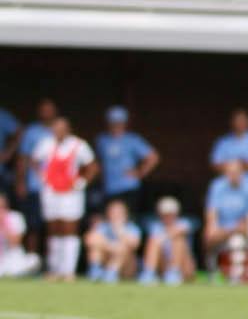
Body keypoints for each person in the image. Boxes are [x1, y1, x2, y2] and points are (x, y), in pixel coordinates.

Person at [31, 116, 95, 281]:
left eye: (61, 128)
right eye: (55, 128)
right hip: (51, 192)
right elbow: (34, 162)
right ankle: (54, 269)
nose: (57, 132)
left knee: (69, 229)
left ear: (68, 130)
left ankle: (68, 270)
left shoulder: (79, 145)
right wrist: (43, 177)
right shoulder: (46, 144)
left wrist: (80, 183)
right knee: (53, 229)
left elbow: (93, 167)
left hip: (70, 194)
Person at [93, 106, 157, 220]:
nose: (116, 125)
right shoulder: (102, 140)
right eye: (113, 122)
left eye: (119, 122)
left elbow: (152, 157)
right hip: (109, 187)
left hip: (128, 187)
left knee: (129, 218)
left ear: (124, 123)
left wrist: (139, 172)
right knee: (109, 218)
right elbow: (98, 161)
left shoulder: (132, 139)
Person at [203, 157, 248, 271]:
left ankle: (237, 277)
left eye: (235, 172)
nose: (232, 175)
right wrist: (212, 229)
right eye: (229, 172)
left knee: (236, 242)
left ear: (242, 172)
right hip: (221, 230)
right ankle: (212, 272)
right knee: (208, 236)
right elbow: (211, 214)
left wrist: (228, 231)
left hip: (240, 231)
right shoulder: (217, 186)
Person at [139, 197, 197, 285]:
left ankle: (174, 272)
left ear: (176, 213)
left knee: (178, 240)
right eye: (165, 214)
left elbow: (181, 230)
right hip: (164, 266)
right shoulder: (156, 226)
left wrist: (164, 237)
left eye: (170, 213)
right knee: (153, 241)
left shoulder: (184, 222)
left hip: (185, 267)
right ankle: (149, 273)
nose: (168, 217)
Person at [85, 198, 143, 283]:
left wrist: (119, 231)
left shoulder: (132, 228)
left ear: (125, 214)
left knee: (124, 248)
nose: (115, 215)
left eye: (118, 212)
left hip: (126, 267)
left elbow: (134, 245)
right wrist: (111, 246)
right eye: (113, 212)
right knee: (95, 248)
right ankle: (95, 272)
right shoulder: (102, 226)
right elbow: (89, 239)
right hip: (107, 258)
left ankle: (111, 273)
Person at [0, 194, 39, 279]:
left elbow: (15, 242)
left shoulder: (16, 217)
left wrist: (3, 225)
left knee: (34, 259)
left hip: (13, 257)